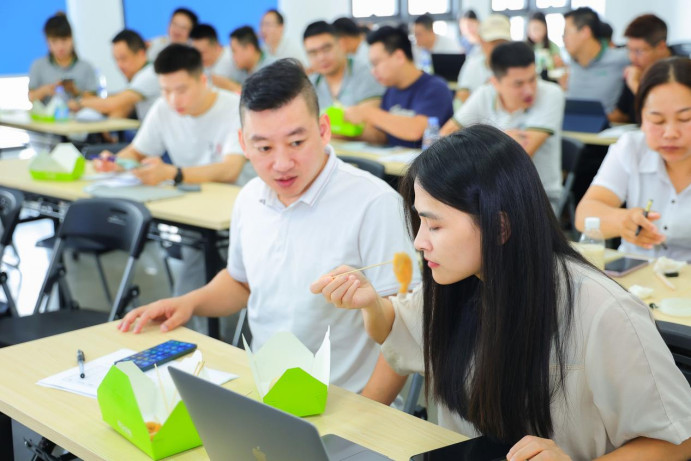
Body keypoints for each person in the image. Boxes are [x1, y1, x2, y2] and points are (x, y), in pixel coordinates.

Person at [311, 124, 691, 461]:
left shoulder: (604, 312)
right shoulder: (454, 285)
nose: (419, 241)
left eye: (434, 226)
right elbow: (400, 333)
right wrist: (371, 303)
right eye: (419, 221)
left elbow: (677, 442)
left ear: (499, 227)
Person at [118, 58, 420, 403]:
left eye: (296, 142)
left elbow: (405, 327)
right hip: (265, 395)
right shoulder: (249, 198)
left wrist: (366, 415)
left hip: (347, 403)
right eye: (263, 147)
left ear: (323, 130)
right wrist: (188, 303)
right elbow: (242, 283)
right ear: (243, 144)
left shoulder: (374, 203)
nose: (280, 164)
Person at [93, 44, 253, 297]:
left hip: (237, 211)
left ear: (203, 80)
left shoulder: (234, 107)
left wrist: (172, 173)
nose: (173, 100)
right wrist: (113, 161)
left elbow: (230, 170)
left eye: (181, 90)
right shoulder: (163, 108)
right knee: (196, 277)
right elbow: (136, 152)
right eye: (165, 91)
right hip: (193, 210)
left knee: (215, 279)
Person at [576, 57, 691, 261]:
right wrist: (623, 221)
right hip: (637, 280)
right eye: (657, 120)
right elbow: (585, 215)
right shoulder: (631, 147)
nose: (670, 133)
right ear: (641, 119)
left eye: (685, 119)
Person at [441, 41, 563, 211]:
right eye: (518, 84)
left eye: (533, 79)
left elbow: (517, 155)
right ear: (495, 83)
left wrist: (473, 141)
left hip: (536, 196)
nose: (529, 90)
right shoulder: (484, 94)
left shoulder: (551, 94)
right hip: (483, 192)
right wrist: (503, 137)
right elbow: (445, 136)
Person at [344, 26, 453, 148]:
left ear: (399, 57)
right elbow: (383, 137)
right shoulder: (391, 91)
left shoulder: (435, 88)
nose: (372, 71)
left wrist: (368, 112)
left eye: (376, 63)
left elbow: (417, 130)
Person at [72, 30, 160, 120]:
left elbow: (112, 104)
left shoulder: (149, 75)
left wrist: (79, 102)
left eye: (123, 58)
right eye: (116, 60)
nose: (119, 65)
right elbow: (120, 102)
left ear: (141, 54)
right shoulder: (141, 75)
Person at [609, 14, 677, 124]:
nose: (632, 57)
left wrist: (635, 84)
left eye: (639, 51)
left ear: (661, 46)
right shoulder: (636, 69)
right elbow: (622, 114)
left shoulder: (680, 71)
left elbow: (665, 112)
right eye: (629, 50)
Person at [303, 21, 383, 110]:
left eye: (326, 49)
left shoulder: (366, 73)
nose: (321, 58)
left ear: (340, 44)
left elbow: (369, 119)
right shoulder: (310, 85)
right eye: (313, 53)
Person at [562, 7, 628, 114]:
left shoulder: (620, 58)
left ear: (585, 32)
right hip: (570, 125)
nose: (564, 39)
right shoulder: (572, 62)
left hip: (606, 127)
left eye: (566, 33)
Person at [28, 12, 99, 103]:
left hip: (78, 116)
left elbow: (95, 101)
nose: (60, 47)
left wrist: (75, 91)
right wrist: (46, 90)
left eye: (64, 40)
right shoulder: (38, 66)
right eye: (54, 41)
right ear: (47, 42)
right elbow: (31, 97)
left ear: (72, 39)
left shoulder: (86, 67)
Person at [455, 14, 511, 103]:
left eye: (502, 42)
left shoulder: (518, 67)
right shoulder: (472, 65)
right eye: (493, 42)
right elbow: (461, 97)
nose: (498, 47)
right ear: (481, 41)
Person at [216, 26, 275, 93]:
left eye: (234, 51)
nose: (233, 56)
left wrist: (233, 87)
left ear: (249, 48)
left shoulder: (273, 68)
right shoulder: (241, 70)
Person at [189, 24, 236, 90]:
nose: (199, 57)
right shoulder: (198, 65)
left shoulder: (234, 59)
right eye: (196, 53)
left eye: (203, 52)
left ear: (216, 46)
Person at [526, 12, 565, 77]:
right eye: (533, 29)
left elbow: (560, 65)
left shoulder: (553, 46)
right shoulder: (524, 47)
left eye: (538, 29)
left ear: (545, 29)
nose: (535, 32)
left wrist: (558, 63)